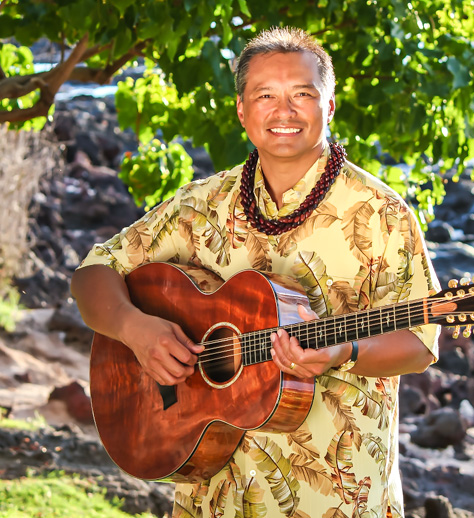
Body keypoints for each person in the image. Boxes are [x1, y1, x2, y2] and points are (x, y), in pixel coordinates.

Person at [71, 26, 440, 518]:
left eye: (302, 95)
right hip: (212, 492)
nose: (283, 112)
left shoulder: (381, 213)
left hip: (336, 493)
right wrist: (135, 329)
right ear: (242, 110)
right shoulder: (199, 206)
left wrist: (344, 352)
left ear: (328, 107)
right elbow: (94, 273)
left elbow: (420, 344)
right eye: (265, 95)